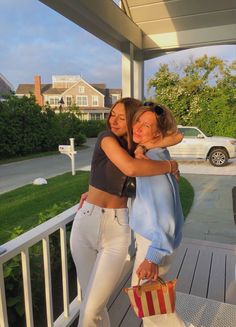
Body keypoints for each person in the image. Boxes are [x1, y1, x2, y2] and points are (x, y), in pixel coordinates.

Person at [70, 97, 183, 327]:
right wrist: (165, 162)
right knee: (95, 304)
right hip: (88, 220)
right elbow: (128, 168)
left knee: (140, 307)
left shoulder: (143, 155)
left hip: (122, 230)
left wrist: (151, 150)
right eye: (112, 114)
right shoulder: (111, 140)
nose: (114, 120)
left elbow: (175, 136)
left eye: (123, 117)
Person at [129, 102, 188, 327]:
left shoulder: (151, 162)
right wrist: (142, 147)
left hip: (155, 243)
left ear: (158, 132)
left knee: (151, 310)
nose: (138, 128)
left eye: (147, 125)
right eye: (138, 122)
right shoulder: (157, 153)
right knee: (153, 310)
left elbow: (166, 214)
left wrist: (152, 257)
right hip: (156, 240)